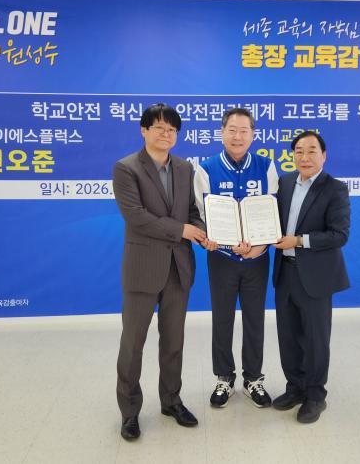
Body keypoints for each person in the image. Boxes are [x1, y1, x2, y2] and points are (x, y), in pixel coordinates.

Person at [113, 103, 207, 441]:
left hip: (178, 268)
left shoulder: (185, 168)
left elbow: (193, 210)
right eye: (159, 128)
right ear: (144, 130)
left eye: (172, 129)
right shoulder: (126, 168)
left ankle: (171, 401)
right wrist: (182, 230)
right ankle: (129, 411)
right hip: (143, 268)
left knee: (173, 342)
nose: (166, 134)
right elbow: (136, 216)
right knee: (133, 343)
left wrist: (201, 231)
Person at [194, 107, 279, 408]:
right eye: (232, 130)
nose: (238, 136)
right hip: (222, 259)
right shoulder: (206, 169)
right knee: (222, 318)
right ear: (222, 132)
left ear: (253, 135)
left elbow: (273, 211)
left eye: (244, 130)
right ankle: (224, 378)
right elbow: (201, 215)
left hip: (257, 259)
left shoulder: (266, 167)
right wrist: (212, 239)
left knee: (255, 319)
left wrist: (259, 246)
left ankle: (253, 378)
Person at [271, 130, 351, 424]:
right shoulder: (285, 183)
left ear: (324, 155)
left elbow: (339, 235)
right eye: (299, 151)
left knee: (316, 339)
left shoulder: (335, 189)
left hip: (316, 277)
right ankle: (295, 388)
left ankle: (316, 395)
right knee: (288, 336)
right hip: (285, 272)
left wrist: (299, 241)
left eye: (311, 151)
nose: (304, 157)